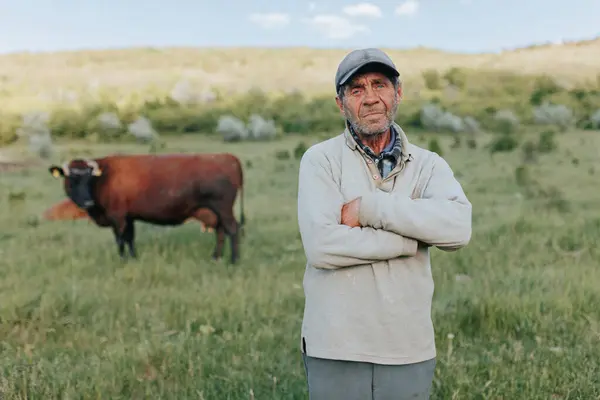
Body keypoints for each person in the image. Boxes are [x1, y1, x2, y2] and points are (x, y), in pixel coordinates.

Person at [296, 48, 473, 399]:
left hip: (408, 346)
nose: (371, 98)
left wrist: (368, 208)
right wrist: (411, 241)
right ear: (341, 103)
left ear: (398, 93)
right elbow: (322, 246)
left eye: (380, 85)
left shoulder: (429, 165)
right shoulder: (320, 160)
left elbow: (456, 228)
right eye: (357, 89)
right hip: (335, 345)